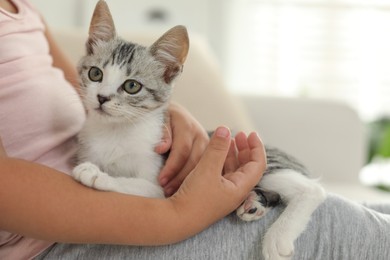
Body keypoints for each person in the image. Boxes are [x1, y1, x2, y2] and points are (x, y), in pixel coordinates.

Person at [1, 1, 390, 260]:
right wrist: (181, 212)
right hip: (58, 238)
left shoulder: (23, 8)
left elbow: (80, 82)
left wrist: (169, 111)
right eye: (100, 76)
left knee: (374, 213)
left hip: (134, 191)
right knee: (347, 225)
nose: (103, 95)